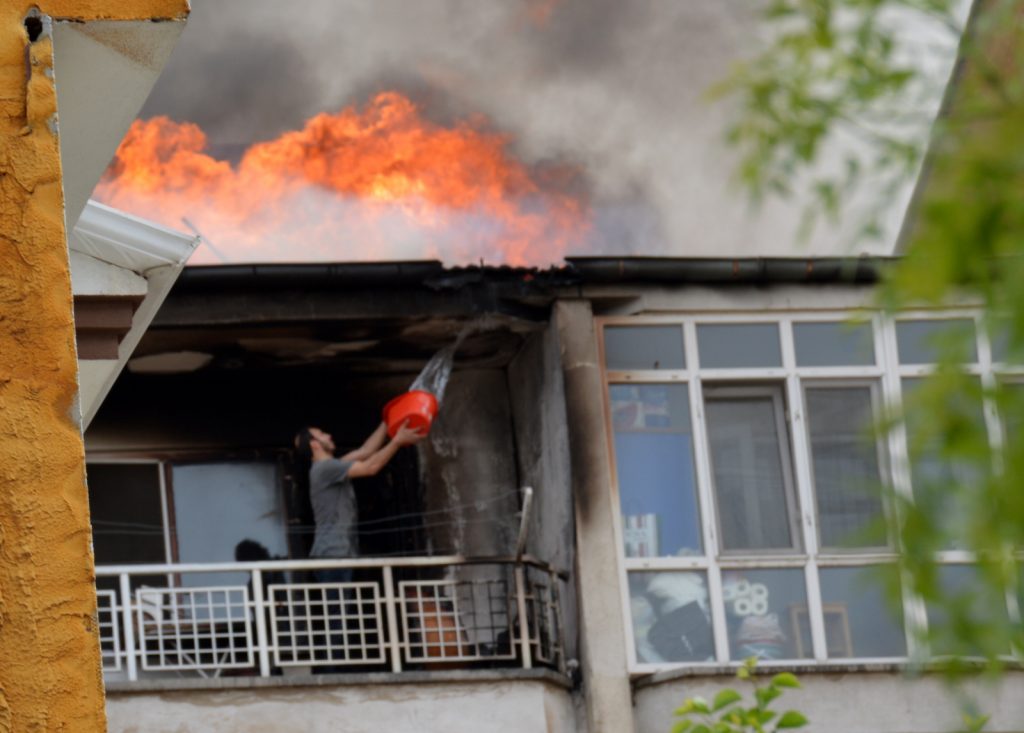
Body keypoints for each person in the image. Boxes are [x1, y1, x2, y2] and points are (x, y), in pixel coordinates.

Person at [294, 419, 425, 583]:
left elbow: (366, 451)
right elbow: (370, 467)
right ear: (314, 444)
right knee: (339, 608)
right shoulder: (325, 468)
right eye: (322, 434)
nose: (328, 436)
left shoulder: (333, 467)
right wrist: (397, 441)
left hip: (336, 555)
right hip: (333, 556)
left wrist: (387, 421)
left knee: (340, 607)